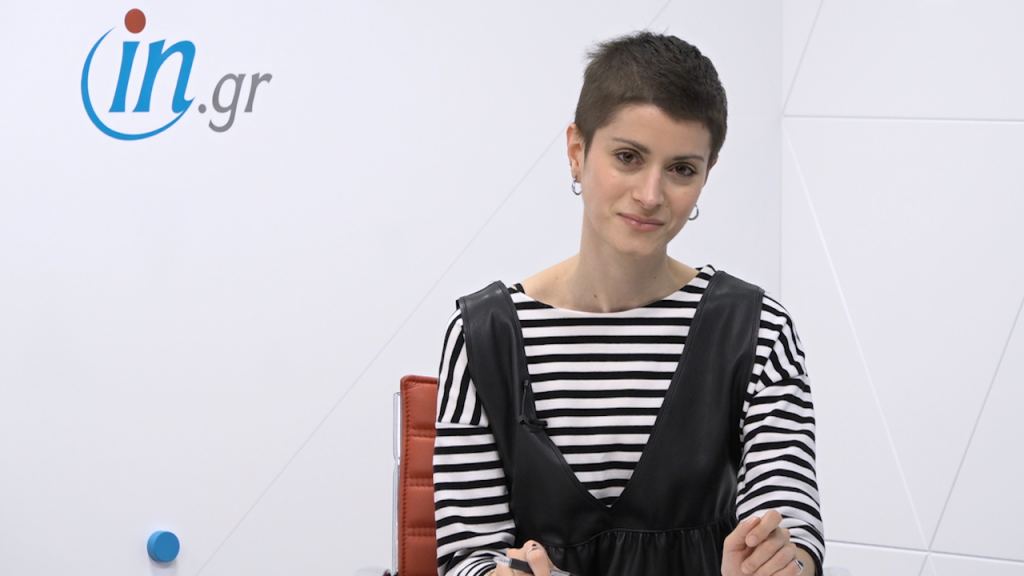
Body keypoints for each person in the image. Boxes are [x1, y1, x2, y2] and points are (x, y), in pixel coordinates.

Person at [433, 31, 823, 576]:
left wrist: (781, 565)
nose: (650, 194)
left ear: (707, 175)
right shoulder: (483, 336)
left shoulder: (759, 332)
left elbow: (793, 534)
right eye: (628, 157)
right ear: (577, 151)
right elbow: (465, 556)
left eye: (682, 169)